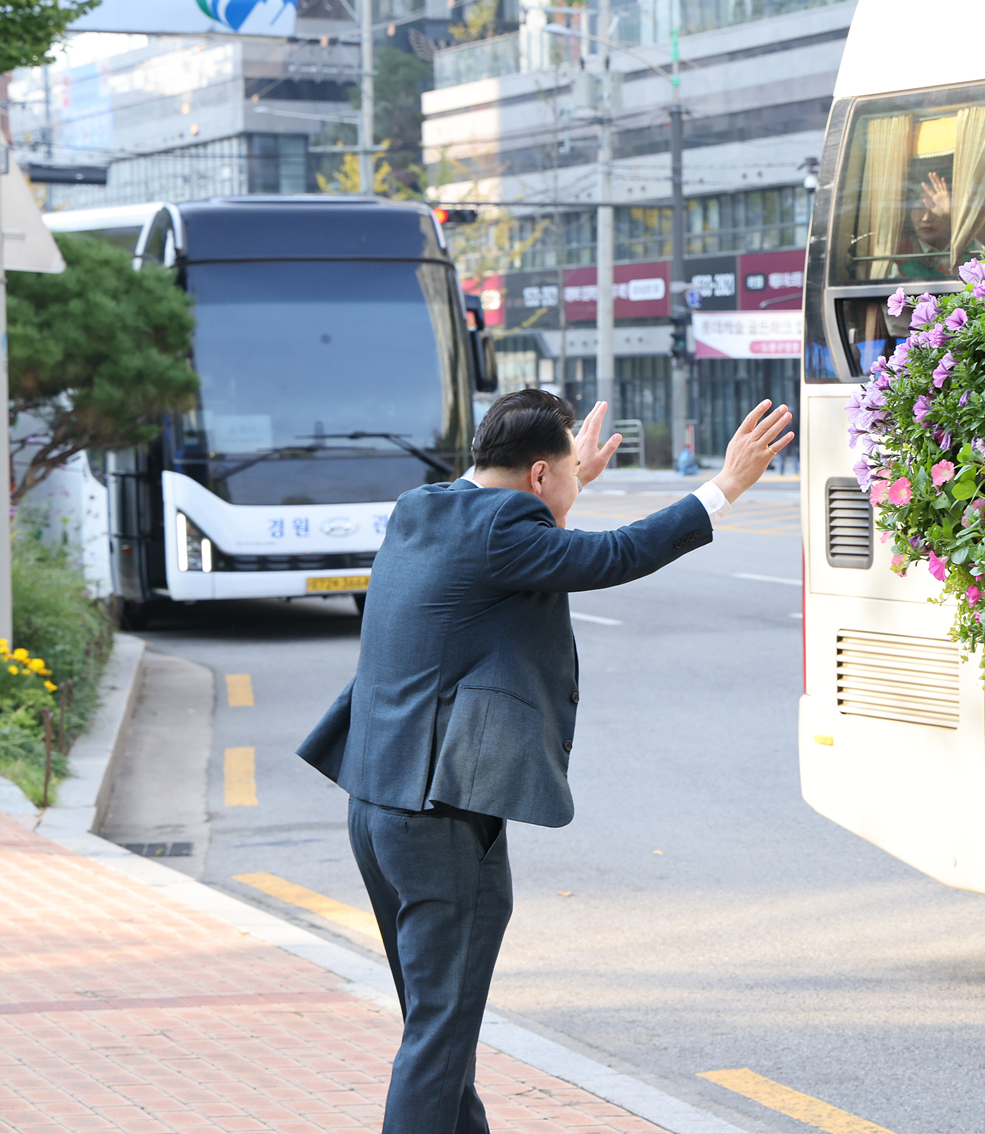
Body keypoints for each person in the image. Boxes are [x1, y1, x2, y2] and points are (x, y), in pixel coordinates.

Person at [296, 389, 793, 1134]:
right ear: (536, 476)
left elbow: (514, 532)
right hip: (437, 820)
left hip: (378, 803)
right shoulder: (505, 530)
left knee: (441, 1022)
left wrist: (573, 479)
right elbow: (614, 553)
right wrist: (722, 487)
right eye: (564, 472)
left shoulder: (422, 506)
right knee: (437, 1037)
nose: (571, 484)